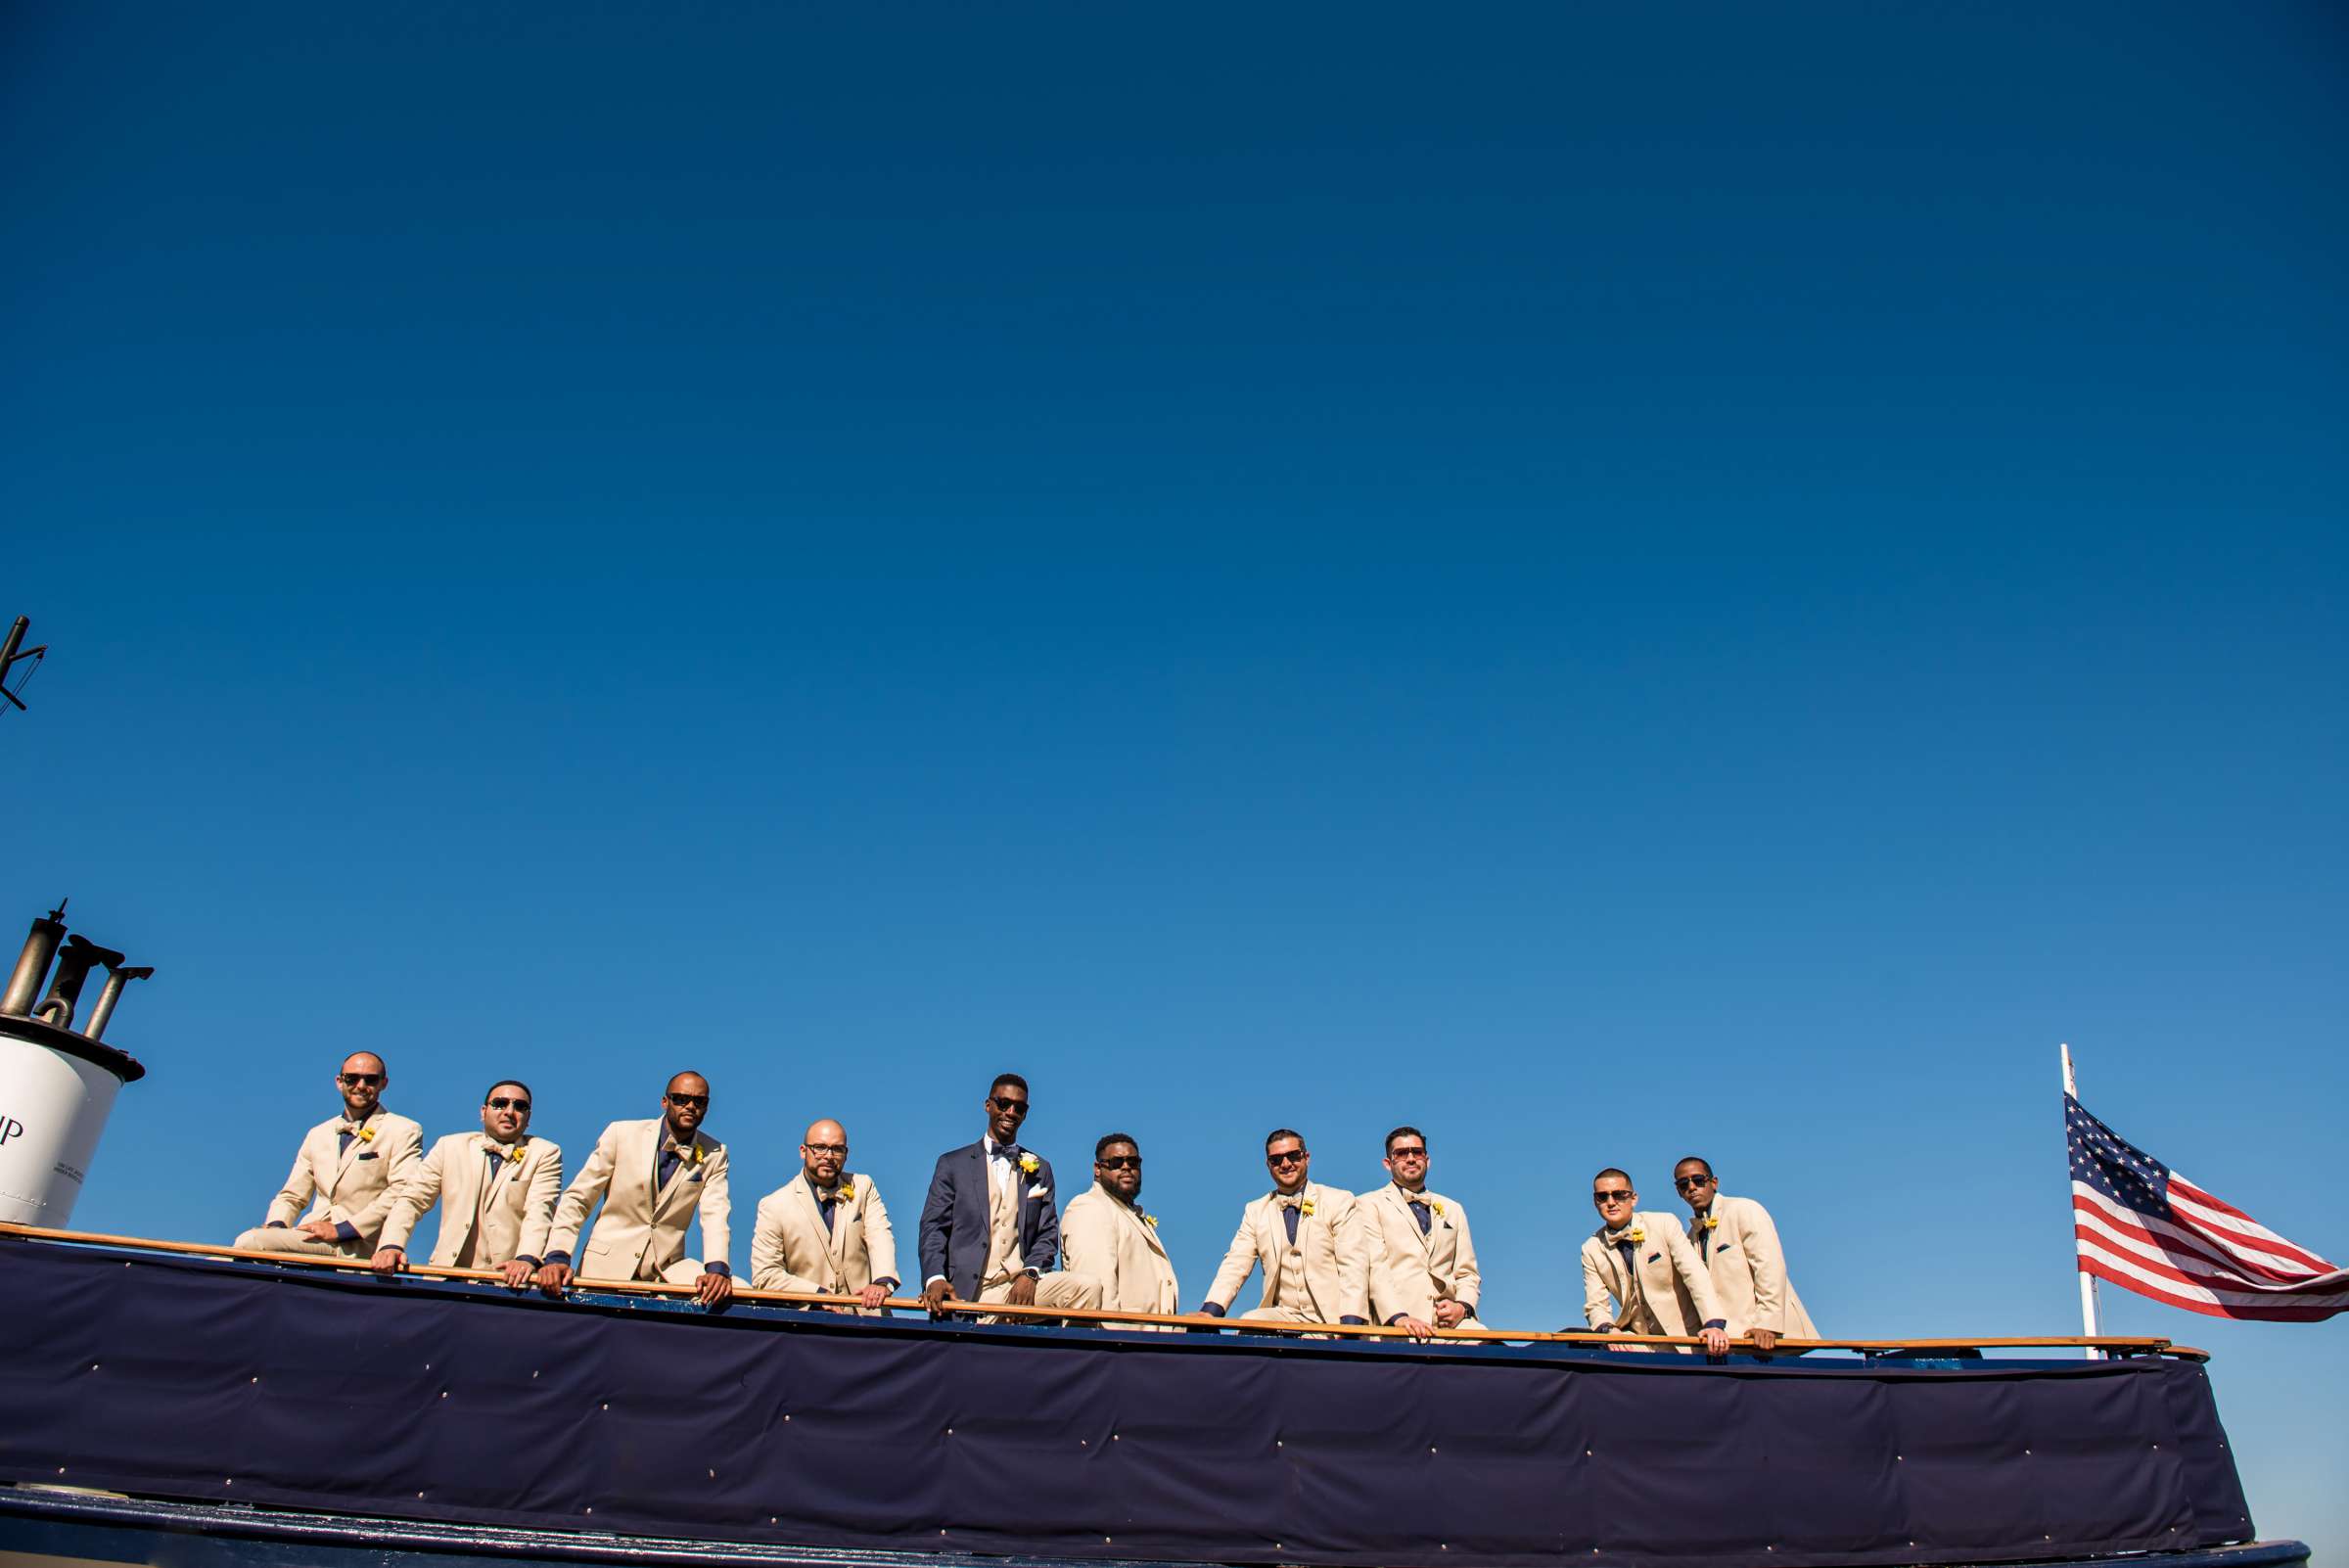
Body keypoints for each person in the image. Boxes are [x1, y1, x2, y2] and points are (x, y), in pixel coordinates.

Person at [536, 1071, 733, 1308]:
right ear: (665, 1101)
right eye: (681, 1099)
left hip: (667, 1269)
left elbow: (715, 1214)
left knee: (740, 1293)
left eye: (699, 1101)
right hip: (607, 1266)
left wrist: (717, 1269)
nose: (690, 1106)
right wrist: (557, 1255)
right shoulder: (621, 1134)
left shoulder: (715, 1152)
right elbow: (578, 1199)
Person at [916, 1073, 1101, 1317]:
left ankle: (1068, 1356)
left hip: (1021, 1289)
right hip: (969, 1293)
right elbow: (933, 1227)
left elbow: (1046, 1234)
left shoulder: (1041, 1169)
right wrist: (935, 1278)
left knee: (1088, 1289)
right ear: (988, 1105)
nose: (1011, 1112)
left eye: (1019, 1108)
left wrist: (1030, 1273)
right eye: (1003, 1104)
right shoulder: (953, 1164)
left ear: (1025, 1113)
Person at [369, 1080, 561, 1288]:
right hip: (446, 1278)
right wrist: (390, 1245)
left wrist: (526, 1258)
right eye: (500, 1103)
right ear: (483, 1111)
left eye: (520, 1106)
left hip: (508, 1284)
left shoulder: (544, 1153)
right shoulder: (449, 1146)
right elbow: (412, 1199)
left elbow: (540, 1211)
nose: (509, 1111)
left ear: (528, 1117)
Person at [233, 1052, 423, 1259]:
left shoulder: (403, 1129)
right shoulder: (318, 1134)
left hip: (358, 1243)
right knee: (218, 1258)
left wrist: (342, 1229)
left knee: (250, 1241)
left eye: (370, 1079)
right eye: (352, 1078)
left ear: (383, 1084)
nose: (360, 1085)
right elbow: (292, 1195)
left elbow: (401, 1191)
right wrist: (276, 1225)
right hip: (310, 1235)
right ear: (339, 1082)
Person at [1198, 1130, 1369, 1326]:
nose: (1286, 1164)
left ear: (1306, 1158)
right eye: (1277, 1159)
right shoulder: (1255, 1210)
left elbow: (1354, 1265)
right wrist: (1210, 1311)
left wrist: (1350, 1323)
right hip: (1284, 1316)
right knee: (1249, 1322)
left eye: (1293, 1156)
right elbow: (1236, 1262)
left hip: (1334, 1318)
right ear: (1268, 1165)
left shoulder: (1338, 1201)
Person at [750, 1118, 899, 1312]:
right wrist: (816, 1294)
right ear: (803, 1151)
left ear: (846, 1154)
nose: (829, 1156)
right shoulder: (774, 1205)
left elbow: (880, 1236)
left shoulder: (863, 1187)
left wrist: (882, 1282)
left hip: (868, 1319)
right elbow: (765, 1274)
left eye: (837, 1149)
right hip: (808, 1326)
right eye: (819, 1147)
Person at [1671, 1156, 1819, 1351]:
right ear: (1679, 1192)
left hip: (1771, 1338)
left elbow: (1769, 1266)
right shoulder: (1691, 1237)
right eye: (1683, 1184)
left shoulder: (1744, 1209)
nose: (1691, 1187)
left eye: (1698, 1180)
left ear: (1713, 1183)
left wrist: (1768, 1324)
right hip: (1731, 1343)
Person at [1579, 1168, 1728, 1354]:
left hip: (1688, 1339)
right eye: (1603, 1197)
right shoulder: (1591, 1248)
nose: (1611, 1202)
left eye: (1619, 1195)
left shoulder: (1664, 1223)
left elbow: (1694, 1274)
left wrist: (1713, 1323)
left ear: (1634, 1198)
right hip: (1637, 1343)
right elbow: (1596, 1304)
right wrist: (1608, 1330)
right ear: (1595, 1201)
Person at [1359, 1126, 1482, 1338]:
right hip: (1393, 1326)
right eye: (1401, 1153)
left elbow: (1467, 1273)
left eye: (1417, 1152)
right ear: (1388, 1163)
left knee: (1495, 1355)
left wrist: (1462, 1307)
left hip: (1449, 1327)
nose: (1410, 1158)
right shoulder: (1368, 1205)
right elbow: (1375, 1268)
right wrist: (1398, 1317)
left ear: (1427, 1159)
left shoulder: (1453, 1209)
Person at [1059, 1132, 1179, 1325]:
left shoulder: (1129, 1213)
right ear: (1098, 1169)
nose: (1126, 1167)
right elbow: (1098, 1294)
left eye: (1133, 1162)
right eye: (1117, 1162)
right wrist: (1117, 1346)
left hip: (1148, 1345)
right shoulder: (1091, 1207)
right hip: (1119, 1344)